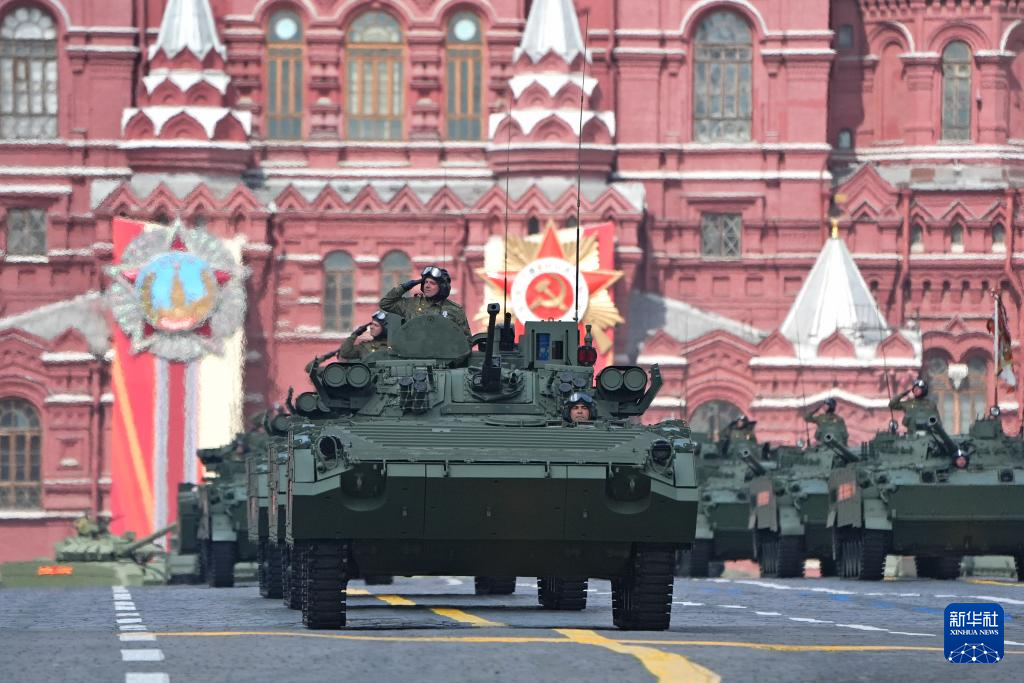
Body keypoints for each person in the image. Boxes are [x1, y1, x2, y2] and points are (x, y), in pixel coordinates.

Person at [378, 265, 470, 336]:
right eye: (425, 282)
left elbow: (466, 340)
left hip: (443, 354)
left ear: (442, 287)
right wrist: (404, 287)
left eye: (432, 283)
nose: (427, 286)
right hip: (413, 354)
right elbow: (385, 304)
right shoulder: (411, 305)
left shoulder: (455, 310)